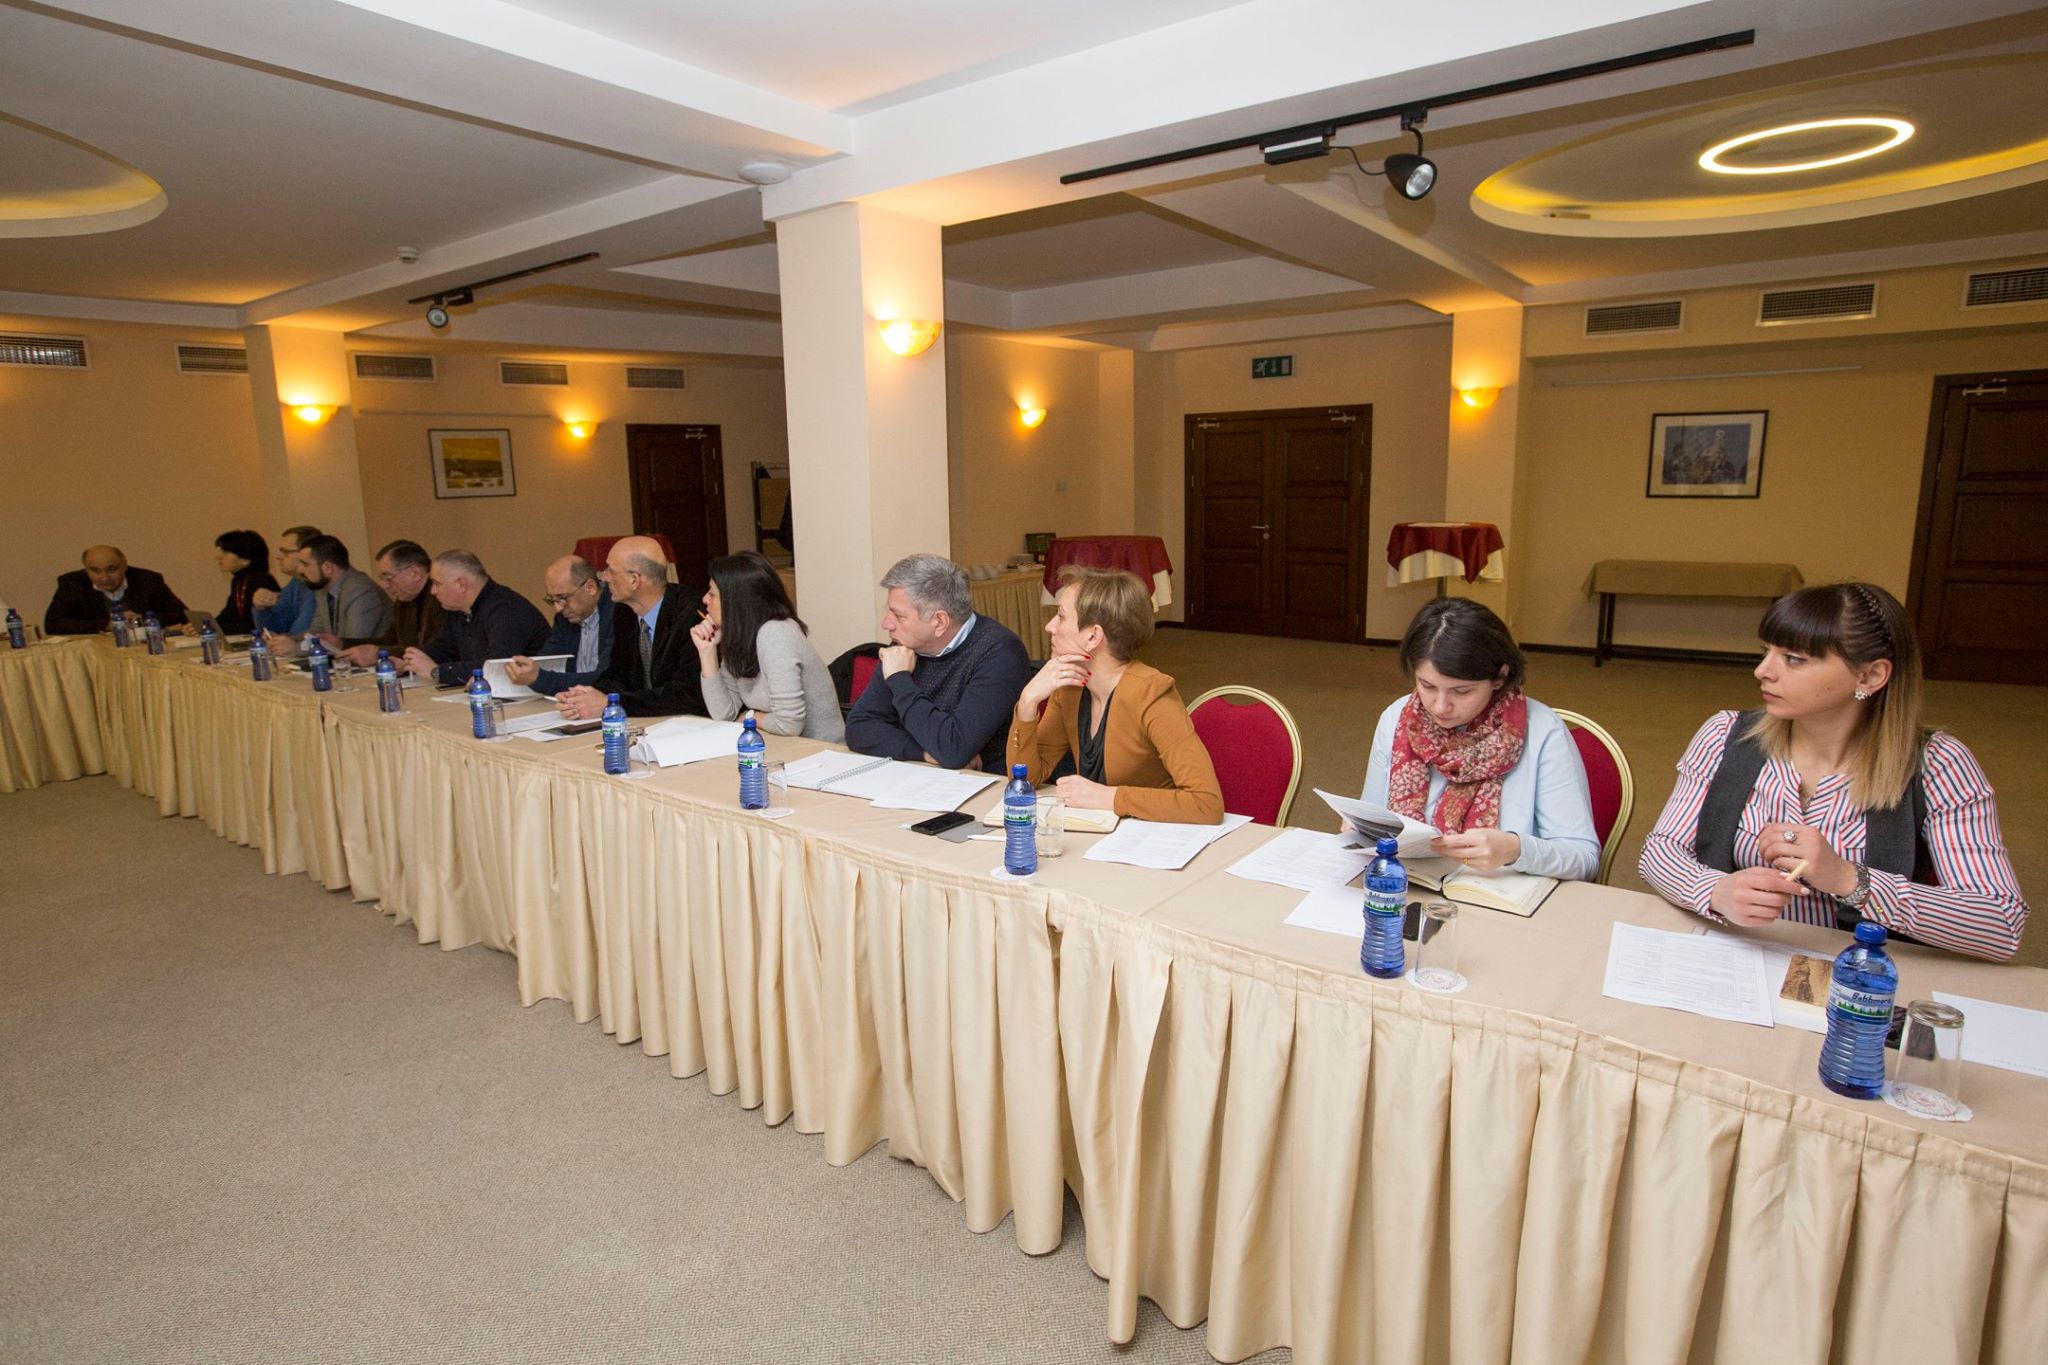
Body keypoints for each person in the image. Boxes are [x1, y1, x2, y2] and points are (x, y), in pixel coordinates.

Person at [1640, 582, 2029, 960]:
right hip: (1739, 957)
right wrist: (1713, 891)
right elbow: (1660, 851)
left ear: (1870, 676)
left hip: (1859, 977)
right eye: (1766, 651)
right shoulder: (1725, 734)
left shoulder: (1939, 764)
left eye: (1794, 658)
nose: (1762, 671)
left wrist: (1848, 878)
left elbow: (2002, 922)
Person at [1361, 598, 1600, 880]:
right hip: (1404, 887)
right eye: (1427, 686)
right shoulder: (1398, 718)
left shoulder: (1542, 731)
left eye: (1461, 691)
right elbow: (1372, 817)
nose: (1440, 706)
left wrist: (1516, 849)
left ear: (1500, 677)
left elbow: (1584, 859)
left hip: (1498, 895)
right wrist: (1360, 830)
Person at [1007, 566, 1223, 823]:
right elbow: (1026, 780)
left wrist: (1110, 798)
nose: (1049, 626)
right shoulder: (1069, 689)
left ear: (1093, 636)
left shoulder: (1151, 694)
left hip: (1155, 835)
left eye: (1061, 616)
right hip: (1100, 833)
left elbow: (1206, 803)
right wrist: (1027, 702)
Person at [845, 553, 1031, 772]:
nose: (887, 624)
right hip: (920, 774)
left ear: (940, 622)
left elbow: (954, 749)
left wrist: (899, 680)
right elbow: (858, 728)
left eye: (899, 616)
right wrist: (925, 753)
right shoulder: (903, 647)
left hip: (987, 783)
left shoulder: (1000, 653)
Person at [691, 551, 843, 741]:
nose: (705, 599)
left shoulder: (776, 633)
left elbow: (789, 724)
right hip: (781, 746)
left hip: (820, 750)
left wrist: (750, 717)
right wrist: (707, 653)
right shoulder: (739, 636)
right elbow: (724, 715)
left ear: (736, 601)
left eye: (712, 593)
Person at [555, 537, 708, 719]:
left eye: (610, 570)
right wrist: (584, 697)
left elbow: (688, 693)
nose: (604, 577)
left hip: (690, 723)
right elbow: (619, 674)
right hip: (646, 721)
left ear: (634, 580)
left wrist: (612, 703)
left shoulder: (690, 614)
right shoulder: (624, 610)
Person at [401, 550, 550, 685]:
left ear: (461, 584)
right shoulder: (457, 610)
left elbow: (496, 667)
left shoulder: (507, 609)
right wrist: (407, 662)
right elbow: (443, 649)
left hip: (536, 695)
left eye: (437, 584)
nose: (433, 591)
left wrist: (437, 672)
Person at [328, 539, 448, 668]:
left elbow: (436, 650)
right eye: (382, 579)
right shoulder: (404, 600)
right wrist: (342, 643)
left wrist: (379, 653)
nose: (385, 585)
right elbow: (389, 641)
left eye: (388, 577)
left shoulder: (443, 600)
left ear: (415, 573)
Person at [504, 555, 612, 696]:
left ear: (590, 588)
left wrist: (540, 678)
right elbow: (548, 660)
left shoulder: (619, 614)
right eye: (552, 600)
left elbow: (607, 680)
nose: (558, 608)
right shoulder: (565, 619)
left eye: (562, 598)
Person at [266, 535, 390, 655]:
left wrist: (295, 648)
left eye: (305, 564)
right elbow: (316, 630)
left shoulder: (361, 591)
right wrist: (284, 640)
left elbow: (350, 643)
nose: (300, 570)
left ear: (327, 568)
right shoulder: (323, 589)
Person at [45, 545, 189, 635]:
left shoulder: (148, 580)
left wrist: (140, 620)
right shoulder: (72, 584)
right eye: (96, 571)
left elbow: (182, 614)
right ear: (86, 569)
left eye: (111, 570)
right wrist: (107, 625)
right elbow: (53, 624)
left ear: (124, 565)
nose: (104, 577)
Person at [198, 530, 277, 636]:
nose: (219, 557)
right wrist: (206, 624)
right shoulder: (238, 580)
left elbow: (253, 624)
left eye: (226, 552)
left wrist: (215, 628)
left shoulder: (261, 581)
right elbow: (229, 614)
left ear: (245, 559)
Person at [250, 525, 321, 638]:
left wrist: (282, 638)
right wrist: (262, 609)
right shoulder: (295, 583)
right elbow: (274, 629)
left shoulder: (318, 586)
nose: (278, 557)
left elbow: (301, 632)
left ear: (306, 553)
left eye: (285, 552)